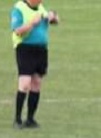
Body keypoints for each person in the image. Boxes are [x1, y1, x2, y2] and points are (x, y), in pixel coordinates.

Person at [11, 0, 59, 129]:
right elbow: (18, 31)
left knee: (37, 83)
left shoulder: (41, 8)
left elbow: (54, 20)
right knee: (25, 83)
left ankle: (30, 119)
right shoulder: (19, 8)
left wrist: (53, 17)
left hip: (41, 49)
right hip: (25, 48)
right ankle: (17, 119)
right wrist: (32, 23)